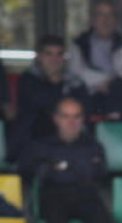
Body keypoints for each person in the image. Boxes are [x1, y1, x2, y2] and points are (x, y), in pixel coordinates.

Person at [18, 97, 113, 223]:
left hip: (85, 194)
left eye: (76, 117)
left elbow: (101, 172)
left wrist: (60, 168)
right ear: (56, 119)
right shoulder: (41, 145)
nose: (71, 122)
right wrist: (50, 170)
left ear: (82, 119)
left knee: (103, 222)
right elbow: (26, 169)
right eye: (65, 117)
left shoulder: (93, 146)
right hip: (52, 194)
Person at [10, 35, 91, 163]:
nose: (55, 59)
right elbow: (42, 105)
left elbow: (84, 108)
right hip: (33, 141)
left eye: (59, 54)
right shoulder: (28, 80)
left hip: (69, 141)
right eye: (49, 54)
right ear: (39, 57)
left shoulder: (75, 82)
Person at [68, 0, 122, 121]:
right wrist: (103, 83)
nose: (105, 20)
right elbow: (77, 72)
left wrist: (113, 83)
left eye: (110, 15)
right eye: (101, 15)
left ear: (115, 20)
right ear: (92, 20)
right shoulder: (80, 44)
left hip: (119, 92)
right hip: (91, 93)